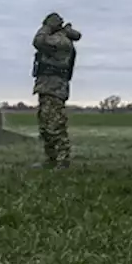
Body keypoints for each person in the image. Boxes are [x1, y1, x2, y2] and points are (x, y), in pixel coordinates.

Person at [31, 12, 81, 169]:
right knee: (46, 127)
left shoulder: (61, 41)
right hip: (47, 87)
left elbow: (38, 41)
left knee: (55, 125)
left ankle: (62, 160)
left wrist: (46, 27)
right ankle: (51, 159)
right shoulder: (59, 38)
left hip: (54, 88)